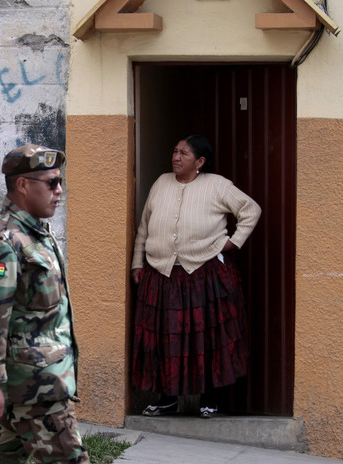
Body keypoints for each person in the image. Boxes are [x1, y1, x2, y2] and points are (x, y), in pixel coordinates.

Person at [0, 145, 89, 464]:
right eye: (51, 183)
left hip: (42, 376)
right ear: (24, 185)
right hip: (35, 386)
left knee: (2, 456)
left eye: (60, 182)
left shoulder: (36, 234)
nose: (59, 190)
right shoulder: (3, 241)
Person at [131, 135, 261, 419]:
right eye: (175, 151)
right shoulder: (161, 182)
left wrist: (233, 242)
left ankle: (209, 399)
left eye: (184, 153)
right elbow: (145, 225)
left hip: (203, 273)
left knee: (206, 338)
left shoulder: (218, 185)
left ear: (200, 162)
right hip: (162, 272)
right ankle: (167, 398)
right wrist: (137, 263)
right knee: (166, 338)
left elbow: (250, 210)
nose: (176, 157)